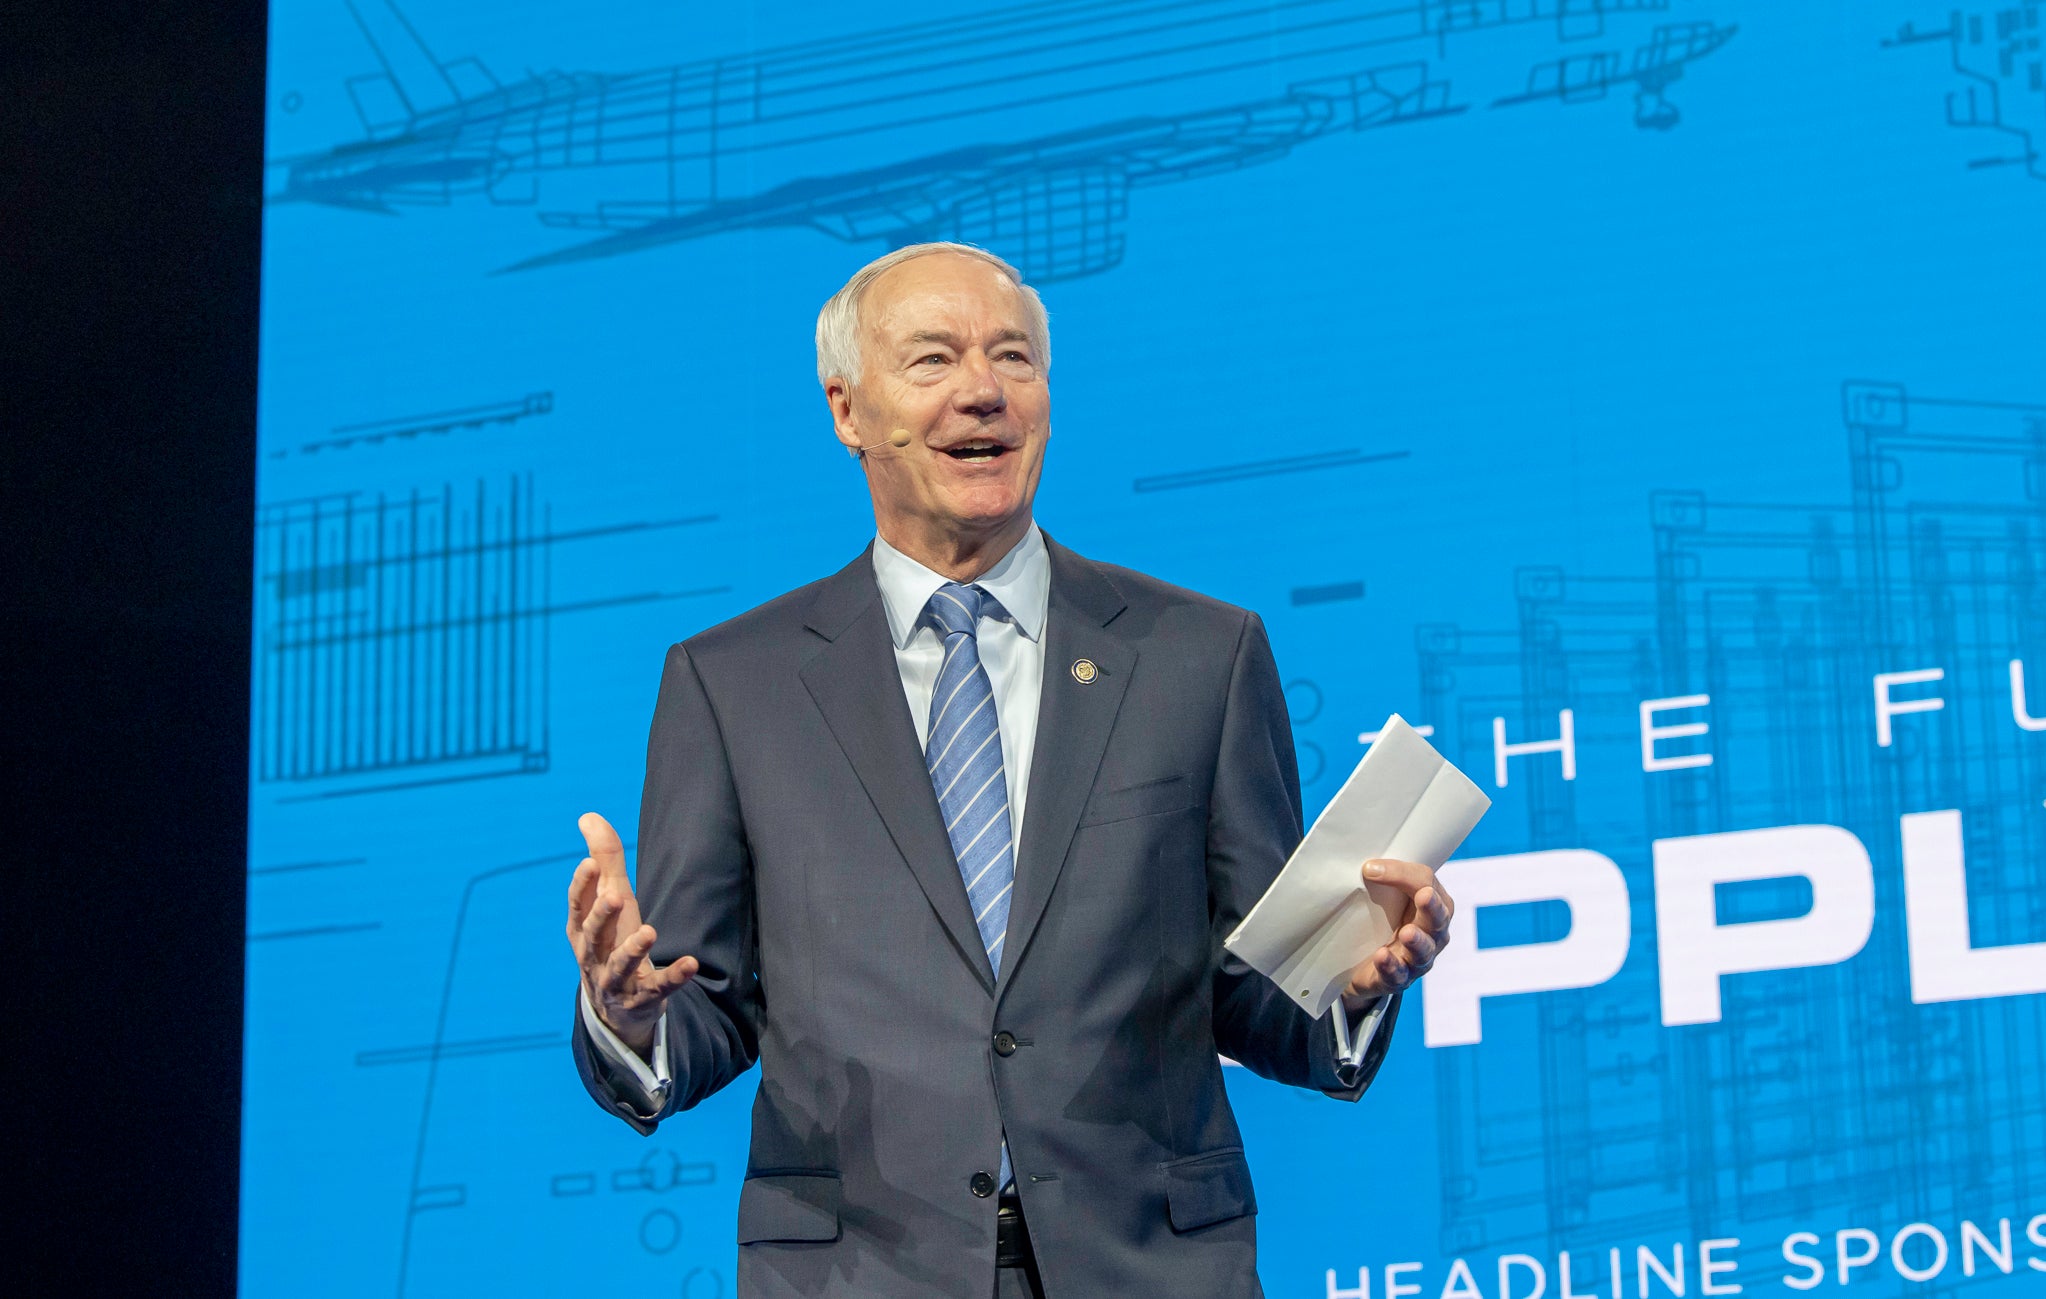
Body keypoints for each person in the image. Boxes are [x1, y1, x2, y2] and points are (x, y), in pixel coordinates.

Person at [564, 242, 1457, 1298]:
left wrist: (1346, 986)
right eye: (933, 360)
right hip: (858, 1274)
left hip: (1146, 1265)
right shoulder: (731, 686)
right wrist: (629, 1020)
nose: (981, 391)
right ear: (847, 411)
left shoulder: (1197, 656)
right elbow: (707, 1009)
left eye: (1013, 358)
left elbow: (1250, 996)